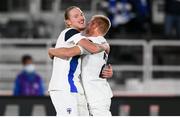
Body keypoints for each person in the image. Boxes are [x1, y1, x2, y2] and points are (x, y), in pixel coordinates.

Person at [48, 6, 111, 116]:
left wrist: (51, 51)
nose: (82, 18)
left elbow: (72, 52)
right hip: (65, 87)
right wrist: (105, 46)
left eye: (81, 14)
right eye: (76, 16)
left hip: (78, 88)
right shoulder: (70, 32)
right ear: (68, 22)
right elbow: (92, 49)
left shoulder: (87, 40)